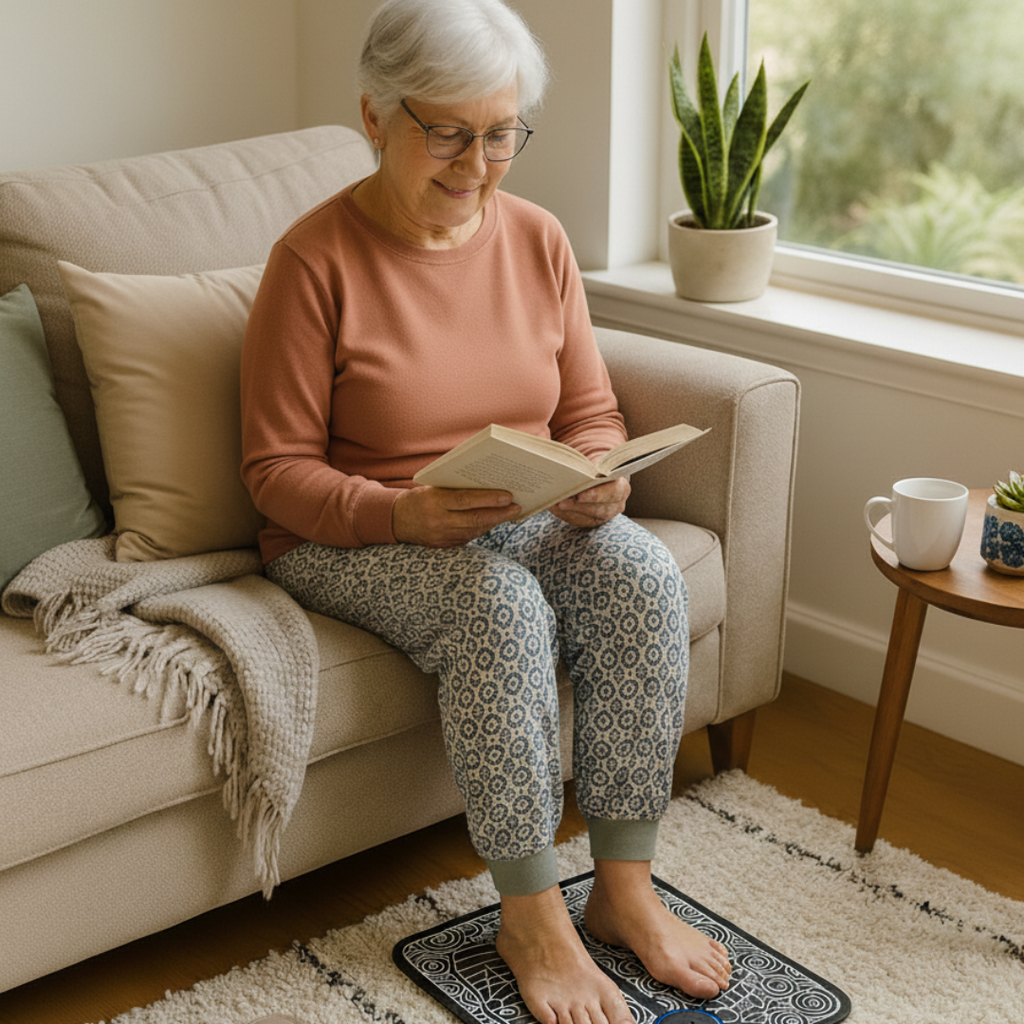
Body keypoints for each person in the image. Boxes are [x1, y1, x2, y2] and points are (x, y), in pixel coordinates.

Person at [239, 2, 732, 1022]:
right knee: (496, 605)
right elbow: (274, 471)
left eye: (499, 132)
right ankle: (531, 916)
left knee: (641, 571)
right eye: (448, 131)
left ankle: (624, 891)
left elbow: (588, 409)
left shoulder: (537, 240)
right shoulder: (311, 262)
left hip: (511, 510)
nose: (477, 162)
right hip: (348, 534)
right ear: (375, 118)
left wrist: (601, 476)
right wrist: (399, 514)